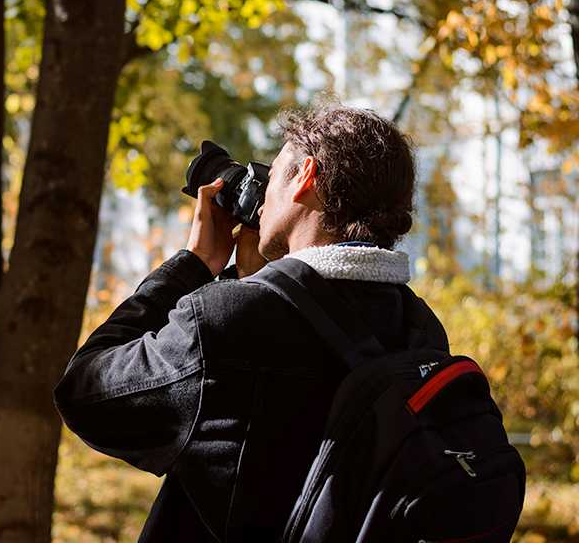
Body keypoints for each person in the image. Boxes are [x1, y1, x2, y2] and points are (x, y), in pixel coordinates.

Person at [53, 102, 450, 541]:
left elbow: (85, 392)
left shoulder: (225, 324)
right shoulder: (421, 331)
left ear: (305, 177)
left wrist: (196, 264)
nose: (263, 197)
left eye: (275, 171)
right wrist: (255, 280)